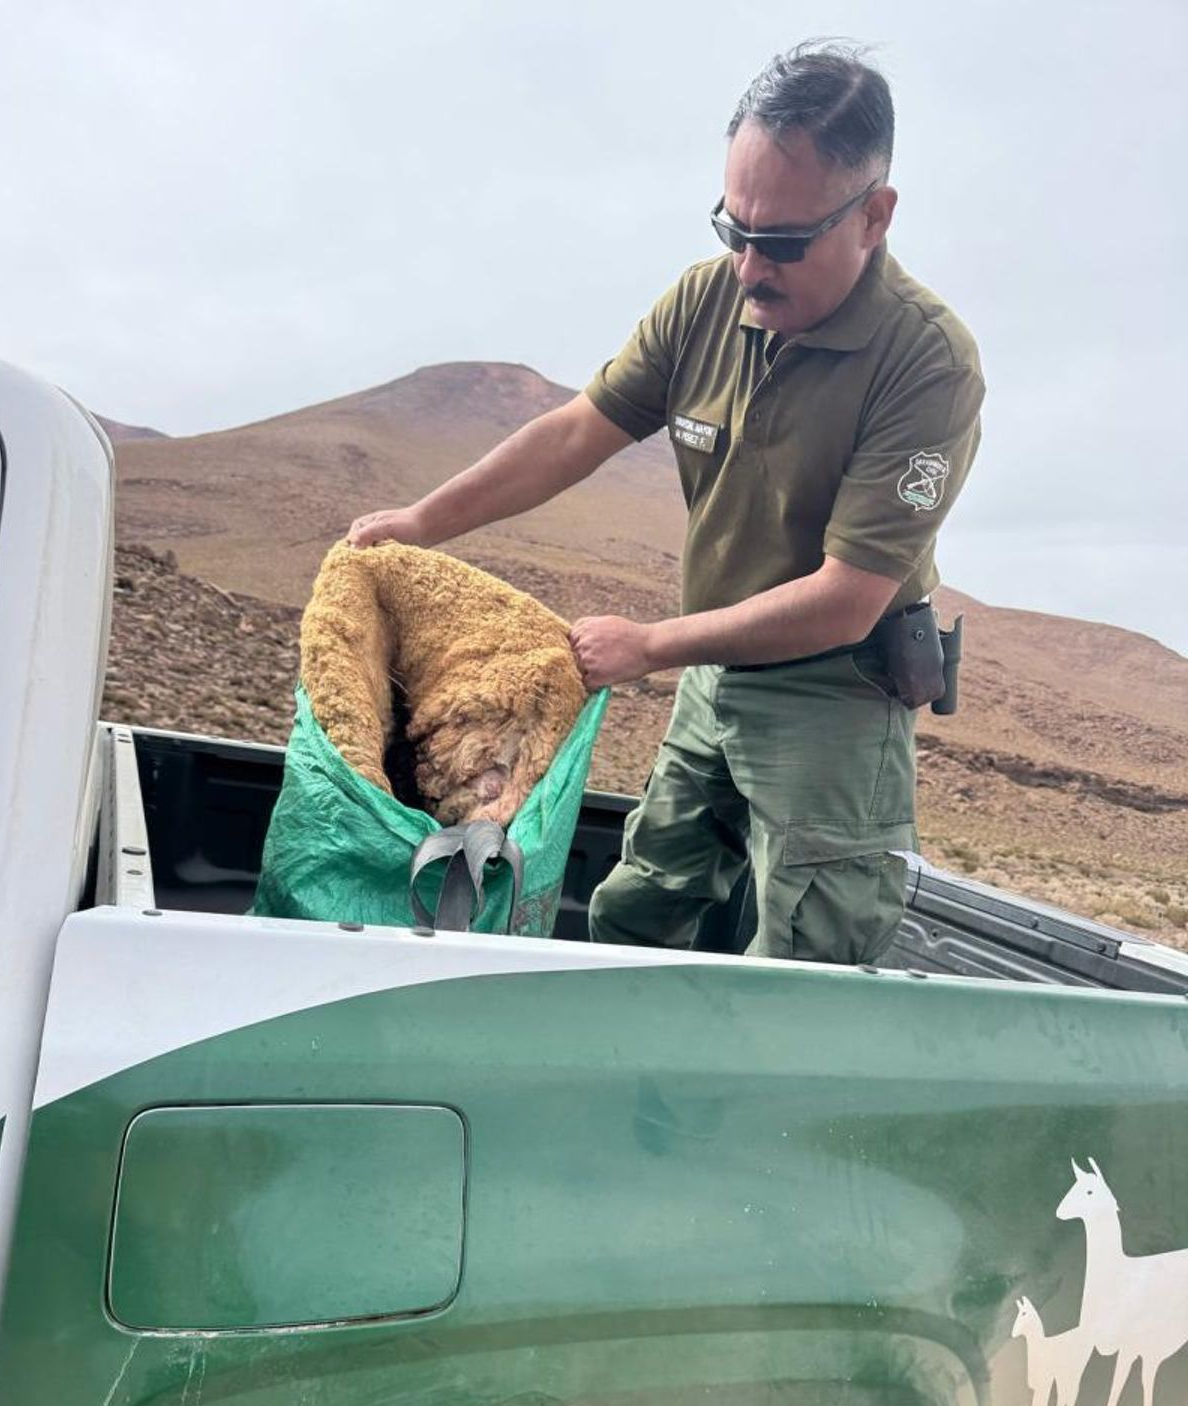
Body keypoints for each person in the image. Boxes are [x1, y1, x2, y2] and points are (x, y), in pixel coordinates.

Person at [348, 42, 984, 965]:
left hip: (835, 695)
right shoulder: (703, 304)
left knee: (808, 964)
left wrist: (647, 647)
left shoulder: (928, 362)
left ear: (874, 215)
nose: (749, 268)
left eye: (784, 243)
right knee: (639, 910)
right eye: (735, 228)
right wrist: (420, 522)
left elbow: (848, 596)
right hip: (713, 677)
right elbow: (575, 433)